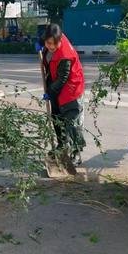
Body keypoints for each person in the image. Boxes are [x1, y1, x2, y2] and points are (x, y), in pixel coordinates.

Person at [40, 23, 86, 164]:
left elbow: (62, 79)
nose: (51, 47)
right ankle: (61, 146)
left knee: (72, 123)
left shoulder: (66, 55)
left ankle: (76, 152)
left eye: (54, 44)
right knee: (57, 119)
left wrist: (49, 92)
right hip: (56, 87)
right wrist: (40, 44)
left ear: (60, 40)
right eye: (48, 43)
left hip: (70, 89)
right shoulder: (51, 38)